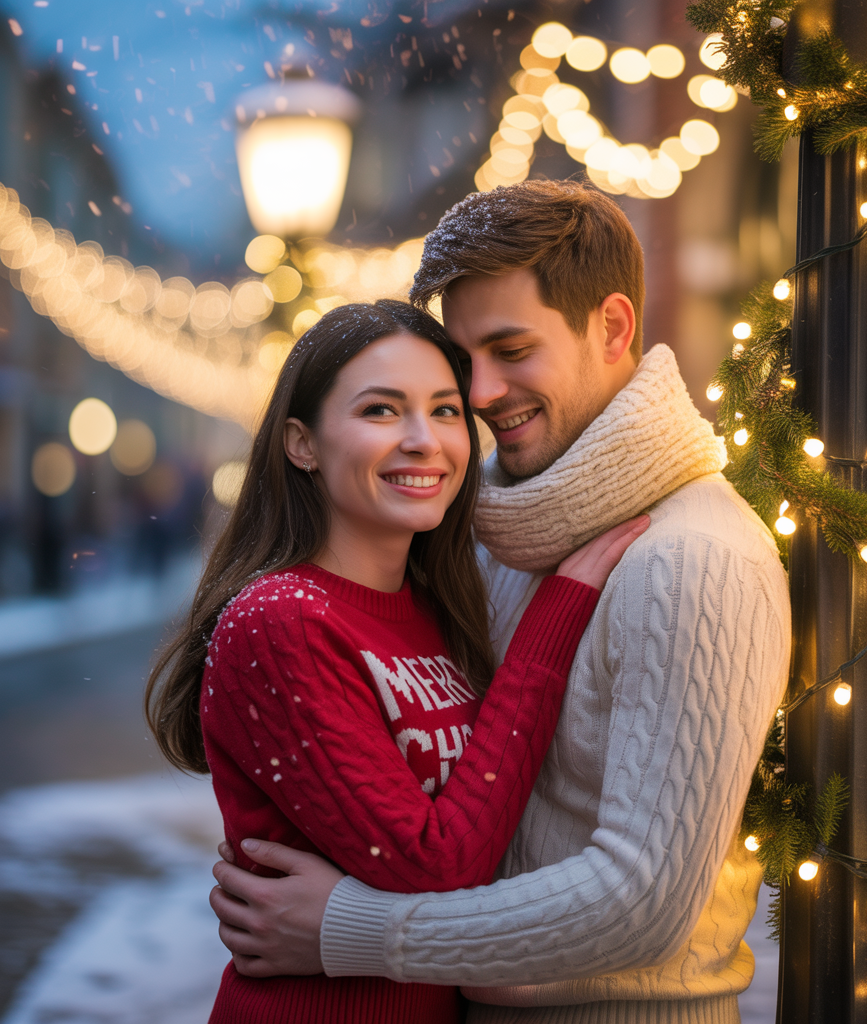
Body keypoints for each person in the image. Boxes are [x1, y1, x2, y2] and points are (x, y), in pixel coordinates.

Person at [209, 181, 792, 1024]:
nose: (480, 393)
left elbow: (643, 900)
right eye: (463, 360)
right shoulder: (489, 533)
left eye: (512, 350)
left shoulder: (692, 558)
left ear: (615, 327)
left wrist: (351, 930)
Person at [145, 298, 647, 1024]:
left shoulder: (435, 606)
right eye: (382, 411)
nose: (425, 440)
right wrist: (556, 617)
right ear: (301, 443)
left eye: (446, 411)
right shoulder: (280, 623)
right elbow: (437, 865)